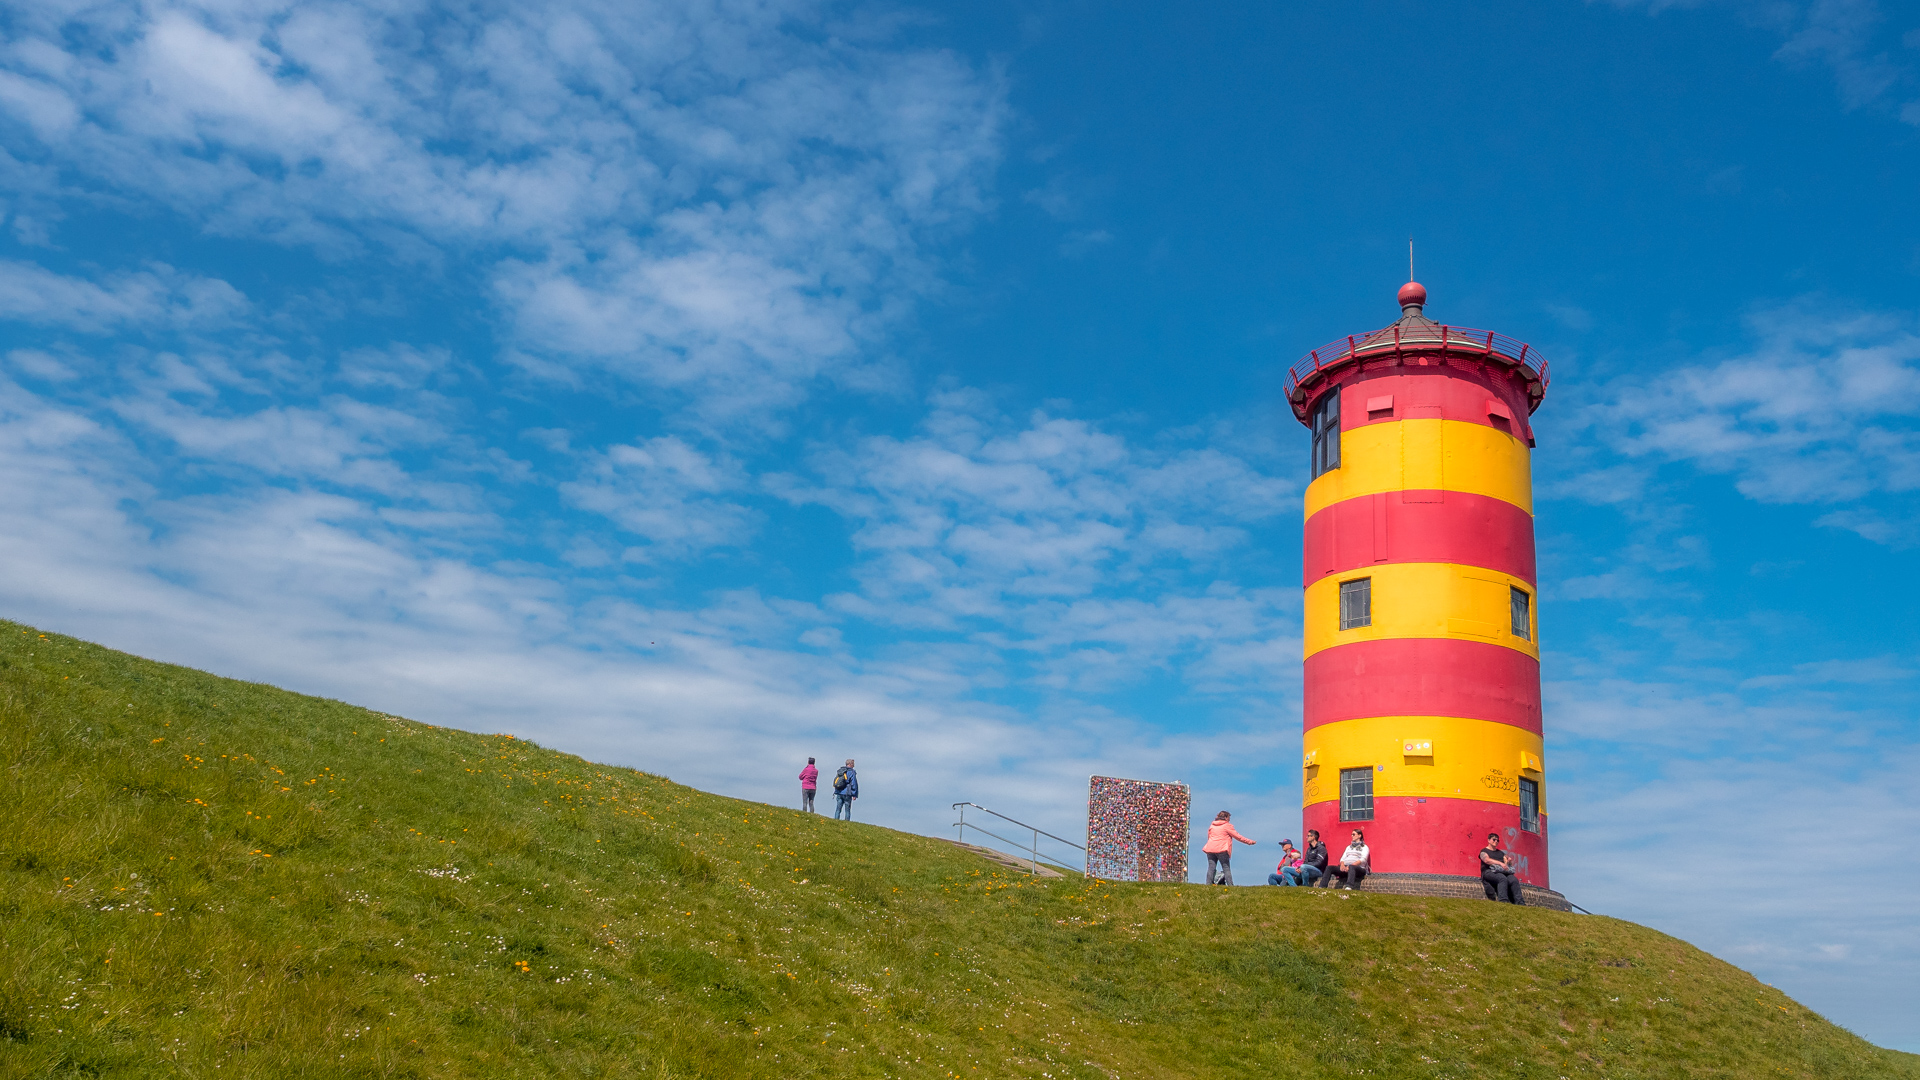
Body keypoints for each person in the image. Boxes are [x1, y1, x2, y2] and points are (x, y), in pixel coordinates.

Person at [1202, 810, 1256, 885]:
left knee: (1211, 868)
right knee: (1226, 868)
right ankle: (1230, 885)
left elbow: (1209, 837)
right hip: (1222, 849)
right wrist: (1249, 842)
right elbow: (1238, 836)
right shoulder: (1227, 826)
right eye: (1229, 818)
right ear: (1226, 817)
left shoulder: (1212, 826)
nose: (1229, 820)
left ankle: (1208, 884)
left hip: (1210, 849)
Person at [1480, 832, 1524, 904]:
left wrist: (1509, 862)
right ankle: (1503, 900)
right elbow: (1486, 860)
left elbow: (1506, 864)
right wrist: (1500, 863)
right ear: (1489, 840)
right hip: (1488, 871)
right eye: (1494, 840)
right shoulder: (1484, 851)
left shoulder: (1501, 853)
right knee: (1502, 878)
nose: (1496, 842)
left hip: (1501, 871)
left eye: (1497, 840)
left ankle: (1519, 902)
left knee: (1514, 880)